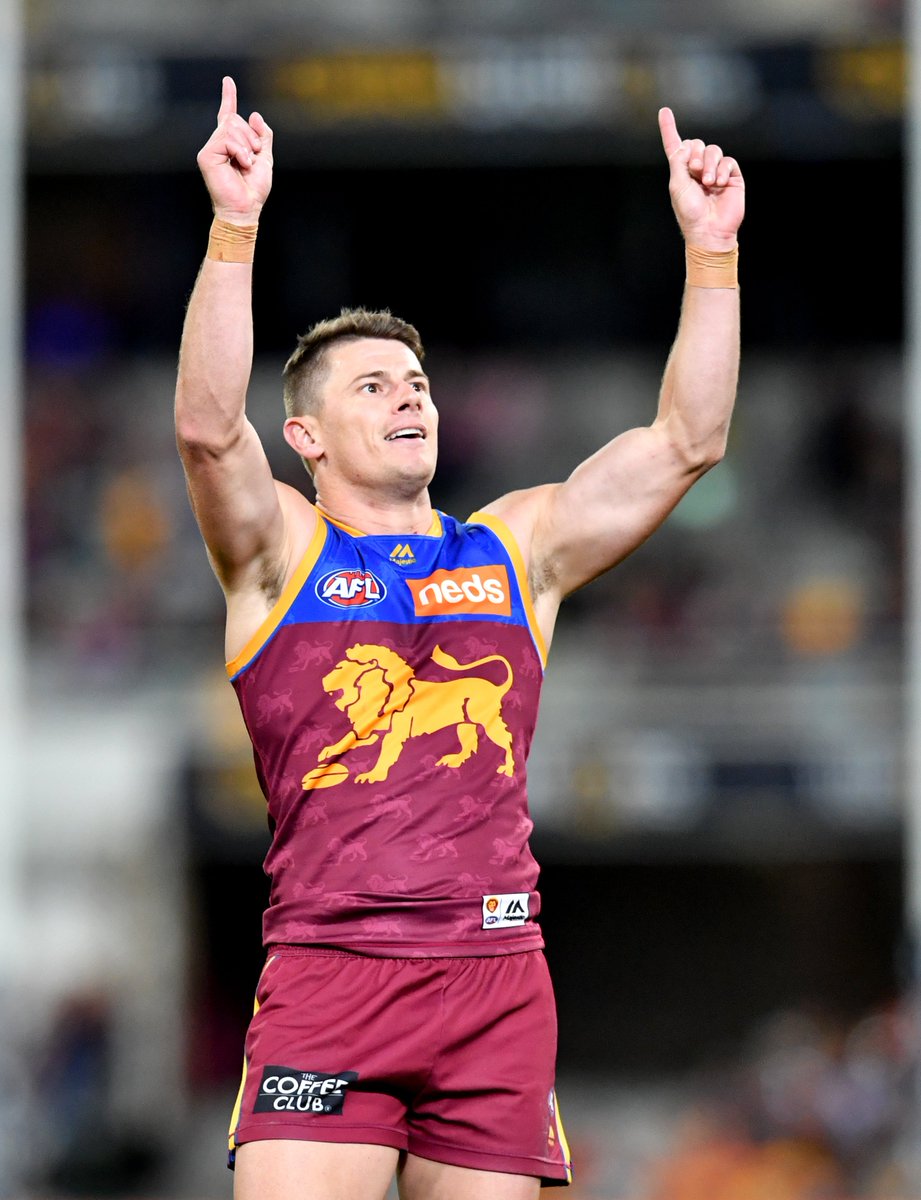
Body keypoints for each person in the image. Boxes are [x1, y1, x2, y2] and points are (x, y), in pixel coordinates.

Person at [175, 75, 744, 1200]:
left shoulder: (513, 549)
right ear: (306, 436)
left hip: (495, 976)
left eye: (419, 381)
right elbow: (204, 429)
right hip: (334, 970)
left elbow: (688, 440)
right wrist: (234, 227)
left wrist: (712, 252)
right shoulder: (280, 553)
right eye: (374, 385)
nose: (411, 398)